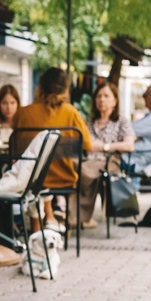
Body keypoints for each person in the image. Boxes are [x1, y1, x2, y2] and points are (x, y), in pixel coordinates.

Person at [14, 67, 92, 232]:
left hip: (29, 178)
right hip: (63, 178)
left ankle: (39, 224)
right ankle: (50, 217)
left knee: (36, 174)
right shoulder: (71, 112)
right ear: (65, 88)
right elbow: (88, 145)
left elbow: (14, 149)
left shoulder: (24, 113)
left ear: (40, 86)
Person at [78, 82, 135, 229]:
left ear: (115, 101)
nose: (101, 100)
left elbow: (129, 145)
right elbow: (84, 145)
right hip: (87, 161)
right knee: (71, 167)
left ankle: (74, 216)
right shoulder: (89, 122)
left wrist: (105, 147)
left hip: (110, 162)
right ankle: (67, 212)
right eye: (98, 96)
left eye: (106, 96)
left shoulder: (121, 121)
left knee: (82, 170)